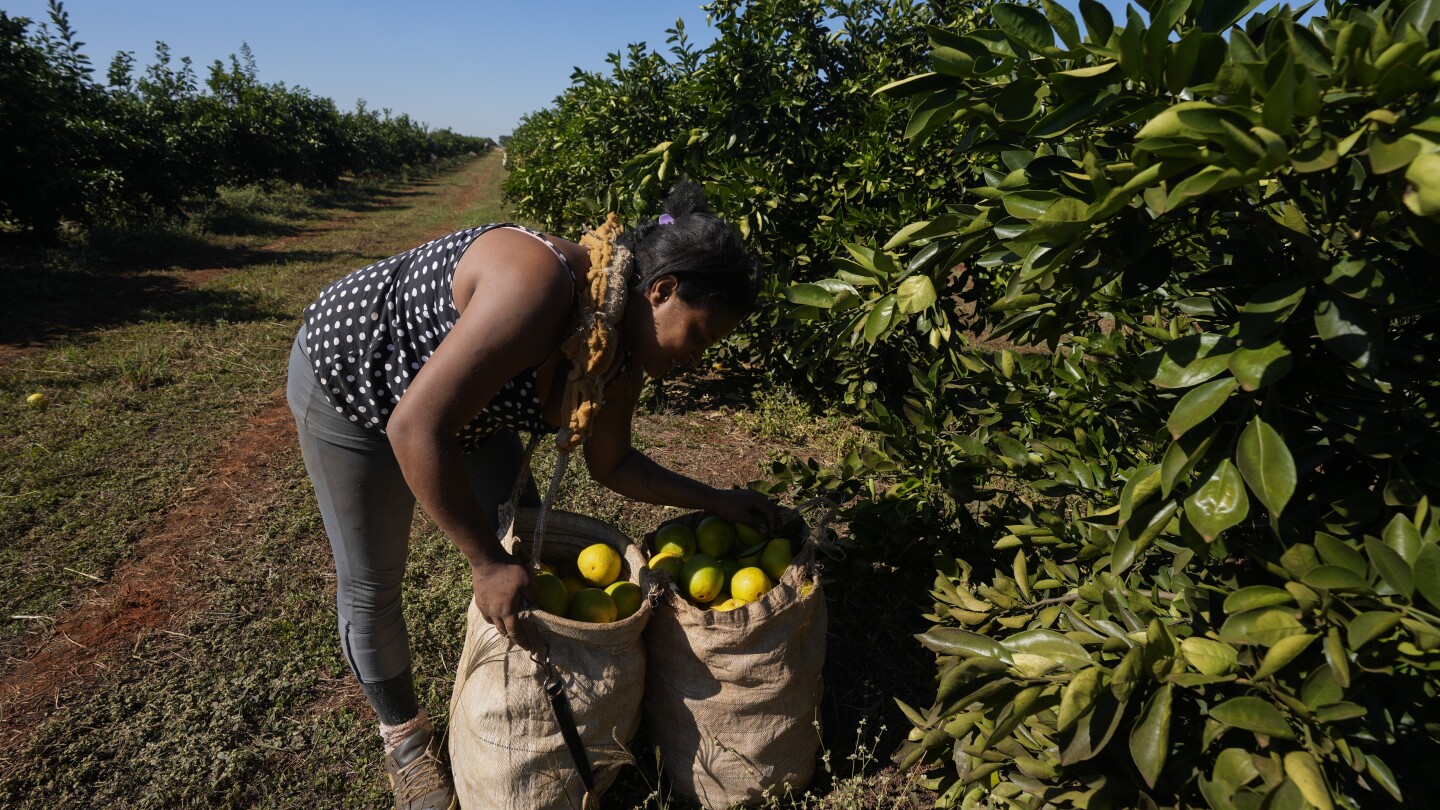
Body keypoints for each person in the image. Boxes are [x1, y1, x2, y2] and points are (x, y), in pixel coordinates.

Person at [284, 181, 777, 810]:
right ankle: (404, 741)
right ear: (662, 291)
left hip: (463, 404)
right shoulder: (539, 287)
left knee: (529, 539)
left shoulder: (615, 347)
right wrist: (485, 562)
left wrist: (716, 500)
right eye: (700, 336)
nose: (699, 359)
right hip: (355, 380)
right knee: (372, 580)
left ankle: (525, 694)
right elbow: (415, 427)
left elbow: (615, 462)